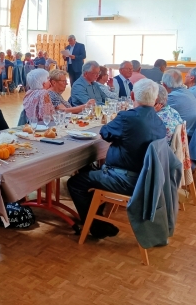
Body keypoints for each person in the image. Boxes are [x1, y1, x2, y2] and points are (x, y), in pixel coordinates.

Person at [67, 79, 166, 239]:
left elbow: (105, 133)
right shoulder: (158, 121)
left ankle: (94, 226)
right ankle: (96, 217)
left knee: (75, 183)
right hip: (146, 179)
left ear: (132, 95)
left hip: (125, 180)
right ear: (155, 100)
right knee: (87, 170)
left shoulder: (128, 118)